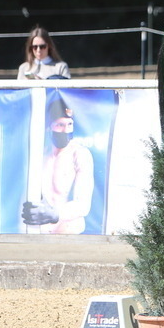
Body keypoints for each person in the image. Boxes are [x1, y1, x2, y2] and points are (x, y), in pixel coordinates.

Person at [21, 95, 95, 234]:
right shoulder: (40, 155)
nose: (65, 130)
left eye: (69, 124)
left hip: (70, 231)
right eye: (60, 125)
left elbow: (83, 204)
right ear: (50, 126)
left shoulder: (80, 154)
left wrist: (55, 214)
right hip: (41, 231)